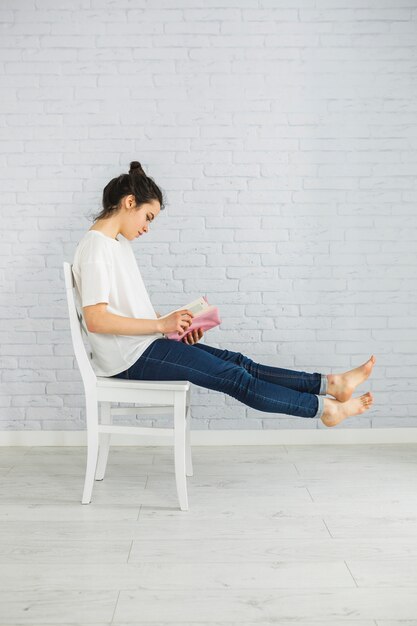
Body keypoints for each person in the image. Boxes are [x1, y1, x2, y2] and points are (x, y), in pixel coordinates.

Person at [72, 161, 375, 429]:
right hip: (129, 358)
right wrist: (160, 326)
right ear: (129, 202)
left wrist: (175, 325)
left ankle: (330, 384)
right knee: (236, 379)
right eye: (148, 216)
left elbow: (126, 311)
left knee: (238, 362)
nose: (148, 228)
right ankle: (326, 410)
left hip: (143, 346)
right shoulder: (96, 247)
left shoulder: (116, 244)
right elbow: (97, 320)